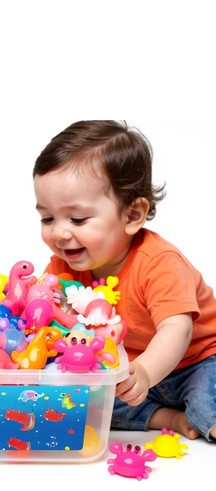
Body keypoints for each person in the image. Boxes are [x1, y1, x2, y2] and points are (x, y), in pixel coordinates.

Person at [33, 120, 216, 442]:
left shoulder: (159, 262)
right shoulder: (62, 268)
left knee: (207, 405)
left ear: (132, 216)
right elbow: (47, 315)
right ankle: (166, 417)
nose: (59, 232)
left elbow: (177, 330)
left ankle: (201, 417)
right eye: (48, 218)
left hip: (198, 362)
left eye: (77, 219)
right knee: (80, 402)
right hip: (129, 372)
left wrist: (145, 371)